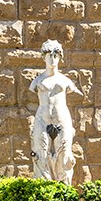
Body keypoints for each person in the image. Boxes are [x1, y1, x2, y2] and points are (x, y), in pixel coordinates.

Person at [28, 40, 76, 185]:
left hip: (62, 120)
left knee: (65, 157)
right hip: (42, 120)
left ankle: (65, 195)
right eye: (49, 55)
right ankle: (43, 197)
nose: (52, 58)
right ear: (43, 57)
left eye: (55, 55)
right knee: (40, 156)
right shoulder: (37, 81)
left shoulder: (65, 81)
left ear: (60, 57)